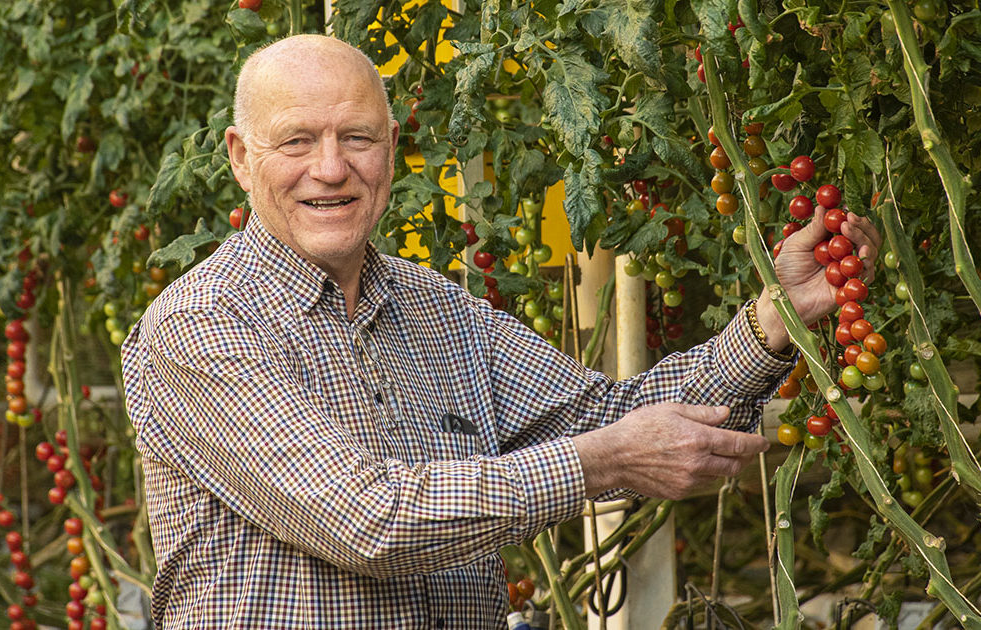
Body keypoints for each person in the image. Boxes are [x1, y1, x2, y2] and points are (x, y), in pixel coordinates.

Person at [120, 34, 882, 629]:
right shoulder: (202, 324)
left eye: (356, 137)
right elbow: (365, 520)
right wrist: (600, 461)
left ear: (392, 146)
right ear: (240, 157)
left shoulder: (439, 311)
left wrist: (773, 320)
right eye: (296, 141)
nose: (330, 168)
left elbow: (610, 419)